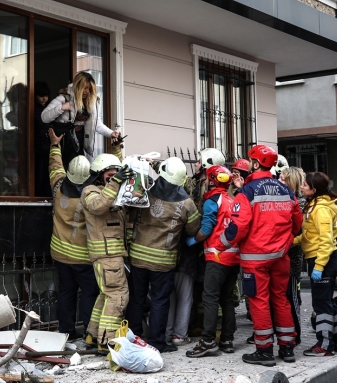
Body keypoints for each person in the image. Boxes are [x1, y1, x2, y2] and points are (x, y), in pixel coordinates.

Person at [218, 144, 303, 366]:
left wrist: (221, 243)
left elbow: (238, 227)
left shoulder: (248, 191)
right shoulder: (286, 190)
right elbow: (297, 223)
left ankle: (264, 350)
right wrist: (284, 241)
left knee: (259, 302)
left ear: (255, 163)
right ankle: (287, 347)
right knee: (281, 299)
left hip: (255, 259)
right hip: (280, 256)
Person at [124, 157, 201, 353]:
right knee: (160, 302)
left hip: (138, 258)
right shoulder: (187, 204)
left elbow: (130, 215)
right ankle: (157, 342)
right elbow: (193, 230)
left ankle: (135, 339)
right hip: (164, 262)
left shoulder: (145, 194)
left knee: (137, 300)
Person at [47, 129, 98, 340]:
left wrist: (55, 145)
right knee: (89, 293)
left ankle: (66, 331)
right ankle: (88, 330)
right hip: (83, 257)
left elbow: (55, 167)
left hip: (59, 253)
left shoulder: (58, 185)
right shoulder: (90, 196)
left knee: (66, 292)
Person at [186, 165, 240, 358]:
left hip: (217, 257)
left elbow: (207, 229)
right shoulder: (231, 200)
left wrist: (193, 240)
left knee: (210, 298)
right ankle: (227, 340)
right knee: (226, 299)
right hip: (234, 257)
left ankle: (208, 341)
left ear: (210, 181)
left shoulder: (212, 201)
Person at [82, 151, 132, 353]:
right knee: (118, 297)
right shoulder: (90, 191)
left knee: (106, 296)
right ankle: (108, 342)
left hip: (112, 254)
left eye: (116, 175)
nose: (113, 179)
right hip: (107, 256)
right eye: (110, 175)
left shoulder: (111, 191)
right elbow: (98, 206)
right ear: (99, 174)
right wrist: (115, 183)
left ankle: (93, 336)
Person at [294, 172, 337, 356]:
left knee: (321, 305)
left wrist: (318, 266)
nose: (302, 187)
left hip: (321, 259)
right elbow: (310, 235)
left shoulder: (320, 209)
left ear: (314, 189)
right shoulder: (314, 205)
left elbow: (325, 240)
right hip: (321, 258)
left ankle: (324, 345)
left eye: (305, 185)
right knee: (328, 303)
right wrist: (291, 242)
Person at [41, 71, 120, 168]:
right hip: (64, 144)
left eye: (90, 89)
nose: (87, 91)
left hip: (79, 144)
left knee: (80, 171)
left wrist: (111, 133)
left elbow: (96, 124)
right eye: (85, 88)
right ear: (77, 86)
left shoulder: (90, 102)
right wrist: (61, 108)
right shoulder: (64, 98)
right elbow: (44, 117)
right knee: (61, 173)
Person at [280, 166, 306, 345]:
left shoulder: (301, 202)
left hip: (292, 257)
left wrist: (287, 242)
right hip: (280, 256)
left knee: (292, 297)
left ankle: (295, 333)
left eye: (282, 179)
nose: (278, 181)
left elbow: (300, 231)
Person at [35, 82, 52, 197]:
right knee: (39, 173)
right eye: (41, 96)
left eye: (46, 96)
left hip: (47, 147)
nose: (44, 99)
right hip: (37, 147)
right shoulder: (33, 109)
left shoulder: (49, 109)